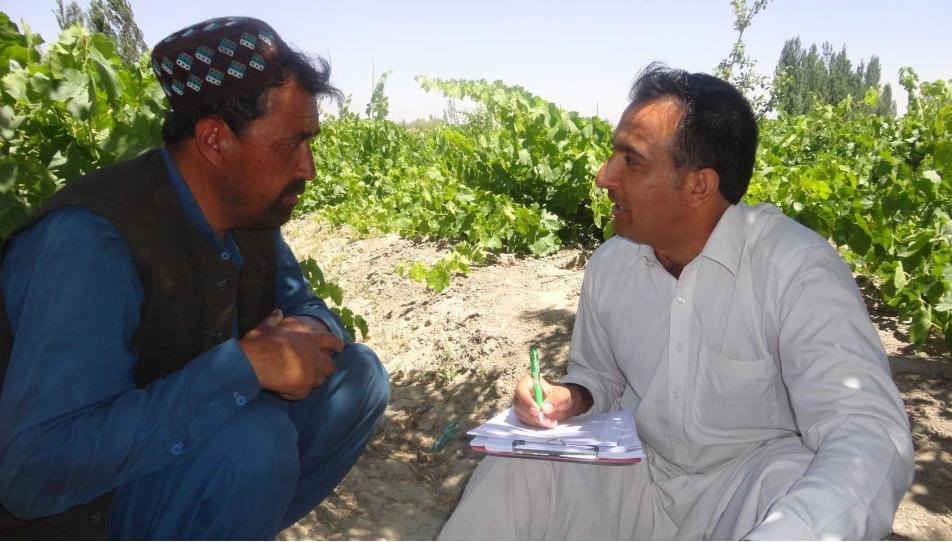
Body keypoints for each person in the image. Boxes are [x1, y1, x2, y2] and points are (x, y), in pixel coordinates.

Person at [439, 64, 914, 540]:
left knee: (793, 475)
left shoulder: (796, 270)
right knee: (519, 463)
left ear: (699, 185)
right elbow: (599, 376)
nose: (605, 176)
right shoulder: (611, 264)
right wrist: (571, 397)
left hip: (746, 497)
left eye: (632, 160)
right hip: (640, 475)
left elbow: (866, 431)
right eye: (613, 155)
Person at [0, 17, 389, 539]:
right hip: (77, 513)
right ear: (213, 140)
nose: (309, 167)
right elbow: (33, 473)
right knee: (252, 446)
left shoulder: (248, 215)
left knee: (358, 377)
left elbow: (312, 310)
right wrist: (243, 368)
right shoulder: (92, 242)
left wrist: (307, 332)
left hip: (160, 462)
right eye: (291, 144)